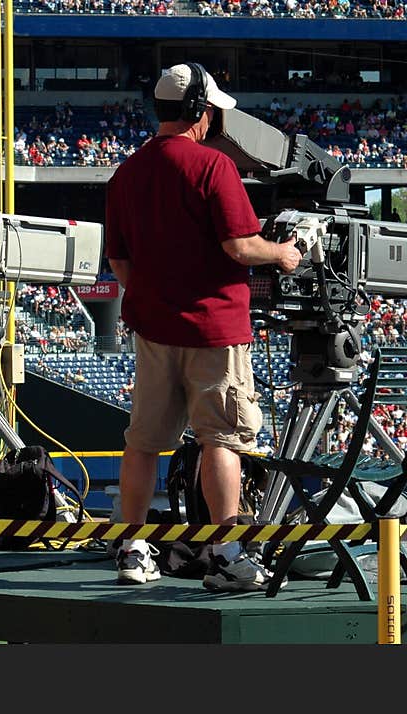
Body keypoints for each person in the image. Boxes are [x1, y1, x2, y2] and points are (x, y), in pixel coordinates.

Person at [105, 63, 302, 592]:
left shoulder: (126, 172)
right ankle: (225, 554)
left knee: (143, 442)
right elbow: (240, 246)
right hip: (213, 329)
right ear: (200, 110)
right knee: (222, 438)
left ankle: (132, 547)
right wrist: (282, 253)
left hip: (152, 328)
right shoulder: (213, 167)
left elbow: (120, 264)